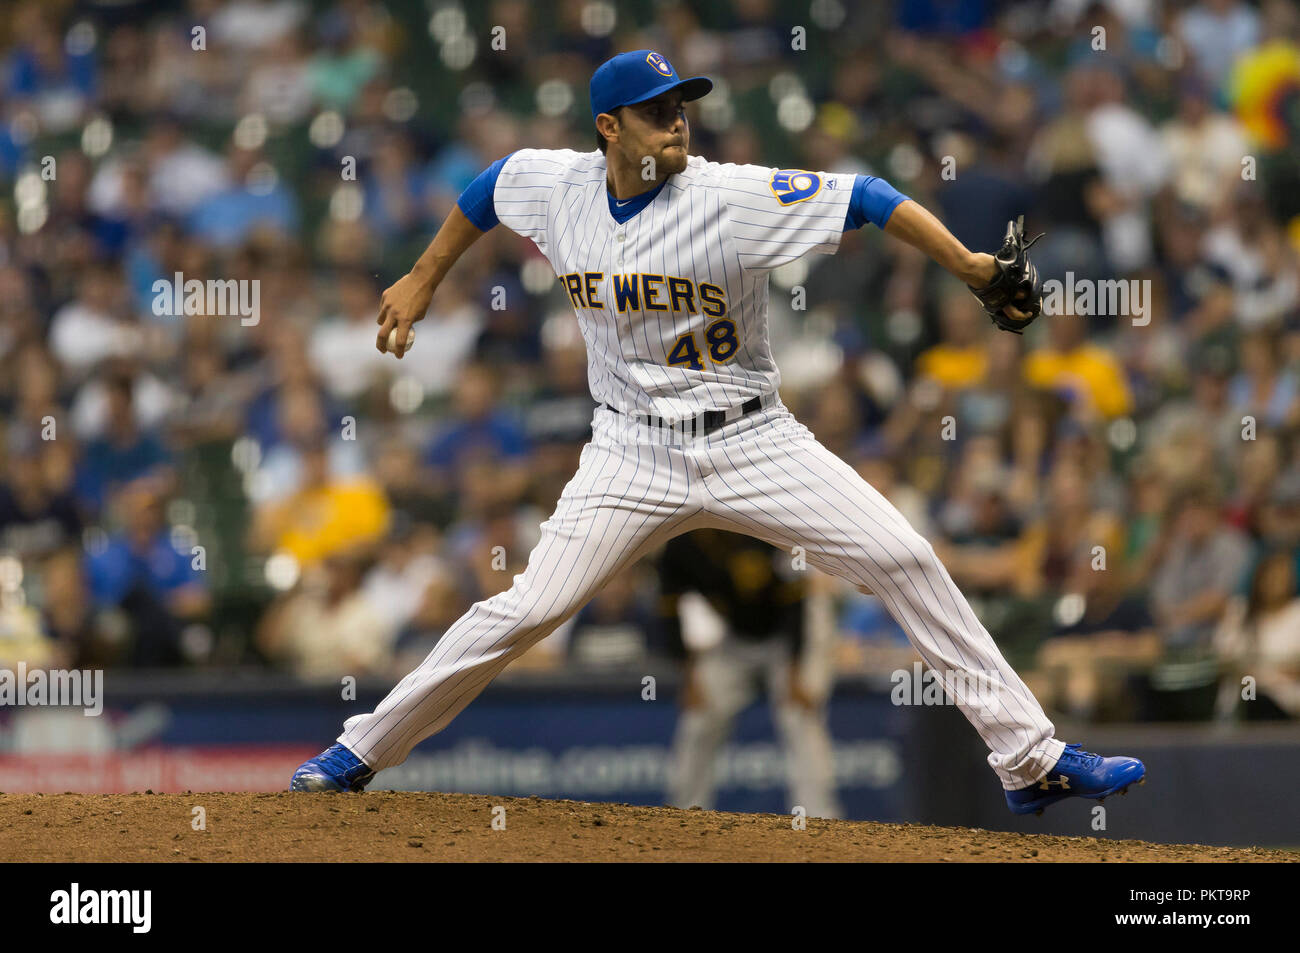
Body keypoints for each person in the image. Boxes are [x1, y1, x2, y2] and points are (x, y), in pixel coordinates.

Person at [291, 50, 1145, 816]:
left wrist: (967, 266)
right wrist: (421, 275)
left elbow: (871, 197)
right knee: (525, 608)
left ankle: (1029, 759)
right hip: (628, 451)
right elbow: (487, 190)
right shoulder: (556, 185)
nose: (676, 123)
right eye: (658, 111)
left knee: (906, 558)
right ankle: (359, 750)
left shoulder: (729, 197)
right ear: (609, 128)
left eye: (682, 107)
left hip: (752, 438)